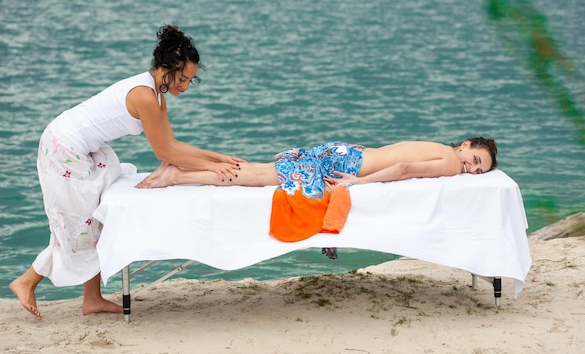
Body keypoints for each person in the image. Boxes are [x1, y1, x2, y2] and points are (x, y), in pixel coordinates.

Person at [10, 25, 245, 320]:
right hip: (63, 148)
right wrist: (212, 167)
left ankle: (91, 300)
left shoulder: (156, 93)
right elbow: (166, 154)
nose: (185, 86)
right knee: (80, 225)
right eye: (182, 78)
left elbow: (172, 143)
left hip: (84, 149)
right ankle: (27, 281)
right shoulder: (145, 95)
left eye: (190, 80)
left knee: (90, 221)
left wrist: (219, 157)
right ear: (165, 69)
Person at [136, 137, 497, 189]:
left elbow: (398, 153)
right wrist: (356, 184)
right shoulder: (450, 162)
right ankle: (178, 175)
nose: (472, 169)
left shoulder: (439, 146)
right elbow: (404, 169)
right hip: (350, 167)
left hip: (346, 152)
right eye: (475, 159)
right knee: (264, 178)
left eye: (479, 170)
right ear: (465, 146)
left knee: (265, 171)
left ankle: (180, 172)